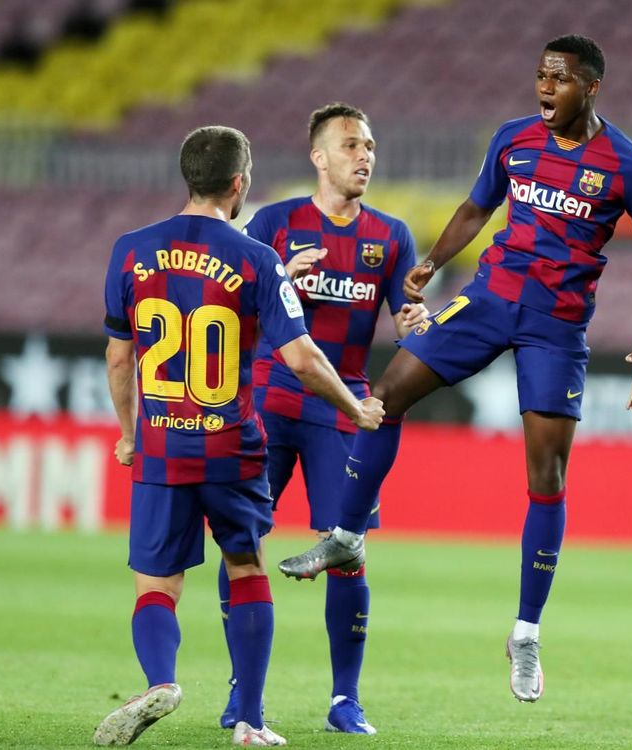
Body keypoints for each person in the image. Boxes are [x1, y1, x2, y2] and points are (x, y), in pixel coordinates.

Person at [277, 34, 632, 703]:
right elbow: (476, 207)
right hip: (489, 298)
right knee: (387, 394)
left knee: (545, 473)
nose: (546, 89)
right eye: (541, 76)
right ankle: (346, 533)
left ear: (592, 88)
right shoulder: (514, 139)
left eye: (561, 79)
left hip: (557, 324)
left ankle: (525, 633)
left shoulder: (628, 166)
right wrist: (432, 261)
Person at [95, 125, 384, 747]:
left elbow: (120, 360)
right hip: (232, 446)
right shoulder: (257, 258)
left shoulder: (130, 249)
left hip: (162, 444)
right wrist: (355, 408)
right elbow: (303, 359)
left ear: (187, 177)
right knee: (247, 565)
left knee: (157, 582)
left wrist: (127, 433)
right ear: (239, 182)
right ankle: (250, 720)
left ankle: (159, 680)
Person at [215, 102, 427, 735]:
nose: (365, 156)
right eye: (352, 145)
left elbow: (407, 317)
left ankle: (344, 700)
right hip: (270, 401)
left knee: (350, 550)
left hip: (344, 408)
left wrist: (418, 323)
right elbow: (222, 306)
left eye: (370, 146)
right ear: (319, 156)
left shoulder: (391, 235)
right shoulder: (273, 223)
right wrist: (275, 279)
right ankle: (241, 690)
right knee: (242, 546)